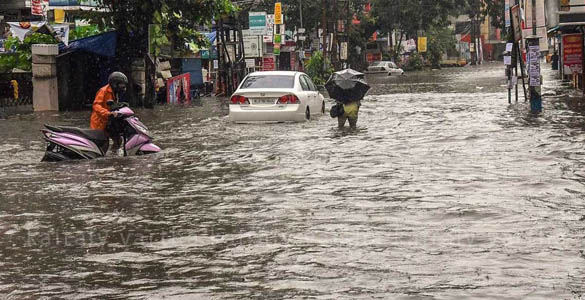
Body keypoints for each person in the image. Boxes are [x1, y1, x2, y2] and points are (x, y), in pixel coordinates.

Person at [90, 71, 128, 154]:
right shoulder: (103, 91)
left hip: (109, 121)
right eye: (121, 85)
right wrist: (107, 113)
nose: (123, 87)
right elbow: (96, 106)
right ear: (115, 83)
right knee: (104, 143)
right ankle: (100, 160)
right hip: (99, 122)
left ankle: (113, 155)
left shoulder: (115, 93)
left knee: (118, 140)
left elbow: (112, 105)